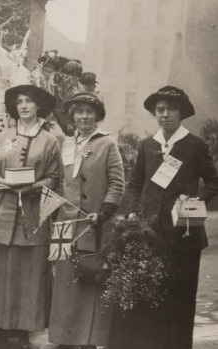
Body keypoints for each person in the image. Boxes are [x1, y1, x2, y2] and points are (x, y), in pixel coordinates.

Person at [110, 86, 218, 349]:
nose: (165, 115)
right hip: (149, 232)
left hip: (185, 230)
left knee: (180, 294)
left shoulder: (194, 145)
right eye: (160, 110)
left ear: (181, 113)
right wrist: (134, 211)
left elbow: (213, 181)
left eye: (171, 109)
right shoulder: (148, 145)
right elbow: (135, 184)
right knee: (150, 293)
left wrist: (195, 202)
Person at [0, 84, 61, 349]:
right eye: (20, 102)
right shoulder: (4, 136)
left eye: (29, 101)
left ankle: (23, 332)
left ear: (38, 107)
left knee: (28, 275)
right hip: (3, 214)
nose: (23, 106)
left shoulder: (50, 140)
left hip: (32, 217)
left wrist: (32, 187)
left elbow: (55, 179)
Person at [48, 93, 124, 349]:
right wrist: (55, 209)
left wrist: (103, 212)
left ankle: (89, 340)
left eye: (89, 112)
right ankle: (64, 340)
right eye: (79, 112)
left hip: (95, 224)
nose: (83, 116)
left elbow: (117, 183)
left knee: (90, 281)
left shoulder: (107, 144)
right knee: (65, 285)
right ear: (72, 116)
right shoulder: (66, 144)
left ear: (97, 116)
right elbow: (60, 182)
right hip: (66, 226)